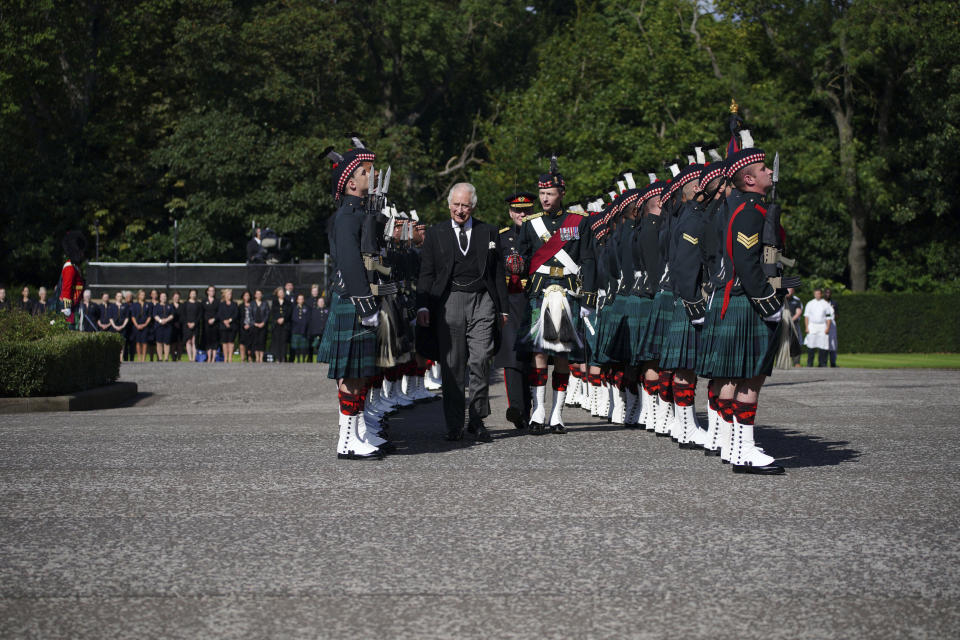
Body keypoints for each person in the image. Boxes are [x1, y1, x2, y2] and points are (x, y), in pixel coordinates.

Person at [700, 142, 785, 474]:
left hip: (736, 301)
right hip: (746, 301)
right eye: (762, 169)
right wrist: (769, 303)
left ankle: (737, 448)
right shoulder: (750, 212)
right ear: (748, 179)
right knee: (750, 380)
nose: (768, 171)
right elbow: (747, 263)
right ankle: (744, 450)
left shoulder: (748, 207)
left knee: (740, 378)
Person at [416, 183, 508, 442]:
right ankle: (454, 424)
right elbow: (427, 273)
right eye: (456, 205)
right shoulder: (436, 234)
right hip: (449, 301)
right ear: (449, 205)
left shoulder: (488, 232)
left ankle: (477, 420)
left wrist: (503, 309)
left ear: (473, 206)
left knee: (480, 359)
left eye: (465, 205)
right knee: (453, 365)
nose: (460, 210)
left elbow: (497, 273)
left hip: (483, 300)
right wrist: (423, 305)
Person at [515, 157, 589, 434]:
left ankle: (557, 413)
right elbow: (522, 260)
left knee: (563, 354)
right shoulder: (531, 224)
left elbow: (589, 259)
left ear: (561, 194)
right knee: (539, 353)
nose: (545, 199)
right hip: (540, 291)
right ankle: (538, 411)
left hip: (568, 289)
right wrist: (517, 267)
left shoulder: (579, 223)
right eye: (542, 194)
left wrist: (589, 298)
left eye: (550, 194)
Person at [493, 192, 535, 430]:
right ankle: (517, 408)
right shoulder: (501, 238)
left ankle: (532, 409)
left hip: (536, 298)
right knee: (512, 355)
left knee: (533, 356)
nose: (522, 214)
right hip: (511, 300)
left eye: (527, 210)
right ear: (510, 212)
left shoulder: (541, 236)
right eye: (518, 210)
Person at [58, 231, 86, 329]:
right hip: (69, 306)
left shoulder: (75, 267)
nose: (83, 254)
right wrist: (67, 307)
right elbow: (67, 287)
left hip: (75, 304)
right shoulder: (69, 267)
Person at [804, 288, 833, 367]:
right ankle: (810, 363)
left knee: (823, 345)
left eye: (819, 294)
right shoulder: (810, 303)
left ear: (821, 294)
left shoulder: (825, 304)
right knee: (811, 345)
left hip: (822, 326)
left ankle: (822, 363)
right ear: (814, 294)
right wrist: (807, 327)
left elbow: (828, 317)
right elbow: (806, 316)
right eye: (816, 294)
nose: (817, 295)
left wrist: (828, 328)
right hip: (812, 325)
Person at [269, 287, 291, 363]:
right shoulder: (274, 302)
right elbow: (273, 312)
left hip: (285, 325)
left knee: (284, 341)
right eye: (280, 292)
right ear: (277, 294)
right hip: (277, 325)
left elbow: (289, 312)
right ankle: (278, 357)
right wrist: (277, 319)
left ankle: (283, 357)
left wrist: (283, 319)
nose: (281, 294)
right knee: (277, 341)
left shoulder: (287, 302)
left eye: (282, 292)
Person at [217, 288, 238, 363]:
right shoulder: (221, 304)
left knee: (231, 342)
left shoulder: (234, 304)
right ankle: (225, 358)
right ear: (224, 295)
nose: (230, 295)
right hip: (223, 326)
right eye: (228, 294)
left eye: (231, 294)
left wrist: (229, 320)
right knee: (224, 342)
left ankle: (230, 358)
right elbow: (219, 314)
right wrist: (224, 321)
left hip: (232, 326)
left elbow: (236, 314)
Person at [130, 289, 151, 362]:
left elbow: (149, 316)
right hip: (137, 326)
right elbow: (132, 316)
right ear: (138, 296)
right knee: (138, 342)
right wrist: (137, 325)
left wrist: (145, 324)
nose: (143, 296)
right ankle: (139, 358)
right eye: (142, 295)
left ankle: (143, 358)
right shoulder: (134, 305)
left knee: (144, 342)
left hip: (145, 326)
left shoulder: (148, 304)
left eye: (144, 295)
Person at [182, 289, 202, 363]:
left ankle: (194, 358)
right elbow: (183, 315)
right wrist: (188, 323)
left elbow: (200, 315)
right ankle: (190, 358)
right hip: (187, 325)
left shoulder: (198, 304)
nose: (193, 294)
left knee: (194, 341)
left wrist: (194, 323)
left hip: (195, 325)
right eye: (192, 293)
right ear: (189, 294)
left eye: (194, 293)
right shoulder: (185, 304)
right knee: (188, 341)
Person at [153, 291, 175, 361]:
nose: (163, 298)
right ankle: (160, 358)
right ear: (160, 298)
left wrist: (166, 320)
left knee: (167, 342)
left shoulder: (170, 306)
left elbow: (172, 315)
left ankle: (166, 358)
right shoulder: (156, 306)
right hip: (159, 326)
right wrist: (160, 321)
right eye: (162, 296)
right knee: (159, 342)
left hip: (168, 326)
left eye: (165, 296)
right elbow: (155, 315)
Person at [290, 293, 311, 362]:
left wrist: (304, 328)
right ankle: (298, 359)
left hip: (304, 330)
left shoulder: (306, 308)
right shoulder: (294, 308)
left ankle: (303, 360)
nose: (301, 300)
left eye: (302, 299)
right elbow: (293, 318)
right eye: (299, 299)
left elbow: (307, 319)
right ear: (297, 300)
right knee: (297, 347)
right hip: (296, 330)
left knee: (303, 347)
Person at [307, 296, 329, 363]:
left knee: (325, 348)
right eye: (319, 302)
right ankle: (314, 360)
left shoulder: (328, 310)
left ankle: (324, 359)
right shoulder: (313, 311)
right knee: (316, 347)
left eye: (322, 302)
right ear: (317, 303)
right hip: (316, 332)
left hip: (325, 333)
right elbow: (311, 322)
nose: (321, 303)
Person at [201, 285, 219, 363]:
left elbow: (219, 312)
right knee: (208, 340)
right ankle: (208, 357)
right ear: (207, 292)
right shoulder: (204, 301)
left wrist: (214, 319)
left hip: (215, 324)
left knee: (214, 340)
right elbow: (202, 312)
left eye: (213, 291)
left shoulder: (217, 301)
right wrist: (207, 319)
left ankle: (213, 358)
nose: (212, 292)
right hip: (206, 324)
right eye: (210, 290)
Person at [786, 287, 803, 367]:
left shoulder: (796, 301)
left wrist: (791, 320)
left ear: (793, 291)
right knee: (783, 343)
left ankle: (796, 362)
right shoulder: (780, 300)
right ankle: (784, 362)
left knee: (796, 342)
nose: (788, 292)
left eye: (790, 290)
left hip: (793, 324)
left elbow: (799, 312)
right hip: (783, 324)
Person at [252, 289, 269, 363]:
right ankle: (257, 357)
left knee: (262, 341)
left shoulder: (265, 303)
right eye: (257, 294)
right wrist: (254, 323)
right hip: (255, 325)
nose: (259, 295)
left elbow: (267, 314)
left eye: (260, 294)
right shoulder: (252, 303)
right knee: (255, 341)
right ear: (255, 295)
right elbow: (250, 314)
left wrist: (263, 322)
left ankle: (261, 357)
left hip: (263, 325)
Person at [238, 290, 255, 362]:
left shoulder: (253, 305)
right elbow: (239, 317)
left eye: (248, 295)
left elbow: (254, 316)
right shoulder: (240, 306)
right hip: (242, 327)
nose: (247, 297)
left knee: (250, 342)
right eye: (245, 295)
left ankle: (250, 356)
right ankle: (242, 357)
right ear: (243, 297)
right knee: (242, 342)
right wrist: (244, 325)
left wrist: (250, 324)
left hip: (251, 327)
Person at [825, 287, 838, 367]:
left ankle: (833, 362)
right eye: (826, 293)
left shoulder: (834, 303)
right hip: (823, 324)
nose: (828, 294)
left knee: (833, 344)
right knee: (824, 343)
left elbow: (837, 315)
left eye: (829, 293)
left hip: (832, 324)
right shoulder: (822, 303)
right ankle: (823, 362)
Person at [170, 291, 183, 361]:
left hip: (180, 327)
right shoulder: (170, 306)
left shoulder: (182, 306)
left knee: (180, 343)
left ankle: (179, 357)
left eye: (177, 297)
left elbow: (183, 316)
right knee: (173, 343)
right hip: (172, 327)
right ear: (172, 298)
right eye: (175, 297)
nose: (176, 298)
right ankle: (173, 358)